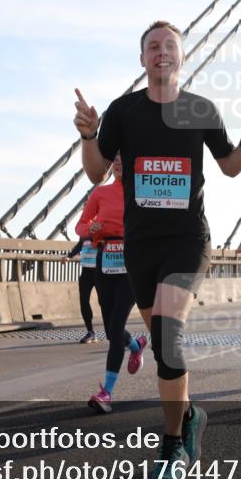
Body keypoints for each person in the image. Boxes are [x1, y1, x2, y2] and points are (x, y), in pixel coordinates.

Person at [75, 20, 241, 479]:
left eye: (170, 47)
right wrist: (89, 135)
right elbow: (96, 174)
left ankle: (173, 444)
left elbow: (230, 168)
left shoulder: (199, 108)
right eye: (153, 47)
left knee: (167, 331)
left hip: (187, 240)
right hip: (141, 246)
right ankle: (192, 415)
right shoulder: (124, 111)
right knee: (163, 344)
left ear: (182, 57)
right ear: (142, 59)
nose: (162, 53)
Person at [78, 155, 149, 414]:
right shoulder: (101, 192)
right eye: (115, 159)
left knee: (117, 324)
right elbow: (80, 226)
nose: (119, 163)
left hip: (131, 262)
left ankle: (106, 391)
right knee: (110, 331)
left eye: (123, 159)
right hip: (104, 259)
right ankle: (135, 345)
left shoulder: (141, 191)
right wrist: (91, 227)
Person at [68, 235, 98, 343]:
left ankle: (114, 332)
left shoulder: (102, 227)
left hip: (100, 272)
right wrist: (69, 256)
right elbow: (80, 245)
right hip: (86, 272)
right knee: (84, 302)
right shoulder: (84, 231)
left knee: (105, 303)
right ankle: (90, 332)